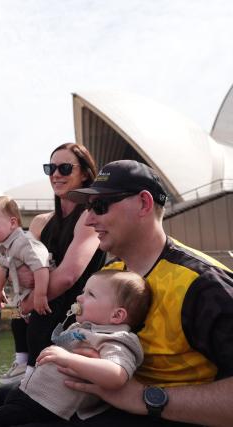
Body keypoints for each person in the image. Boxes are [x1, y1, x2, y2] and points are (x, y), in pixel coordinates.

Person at [59, 159, 233, 426]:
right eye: (88, 208)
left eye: (100, 206)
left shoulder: (203, 284)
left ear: (143, 203)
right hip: (103, 406)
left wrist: (146, 398)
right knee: (5, 400)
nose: (89, 219)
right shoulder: (112, 272)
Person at [0, 270, 151, 426]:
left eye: (90, 294)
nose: (79, 297)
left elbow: (117, 375)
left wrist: (68, 359)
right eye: (83, 292)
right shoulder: (83, 328)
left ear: (117, 315)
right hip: (33, 392)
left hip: (48, 405)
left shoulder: (116, 340)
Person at [0, 143, 105, 391]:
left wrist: (26, 304)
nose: (55, 174)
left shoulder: (89, 217)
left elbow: (68, 276)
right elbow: (21, 263)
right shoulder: (41, 222)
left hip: (70, 326)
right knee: (11, 395)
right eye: (50, 168)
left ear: (85, 173)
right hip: (38, 319)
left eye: (65, 168)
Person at [0, 196, 50, 313]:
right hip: (24, 296)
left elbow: (41, 267)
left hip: (42, 293)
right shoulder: (1, 246)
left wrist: (40, 295)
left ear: (12, 223)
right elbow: (2, 268)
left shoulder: (24, 243)